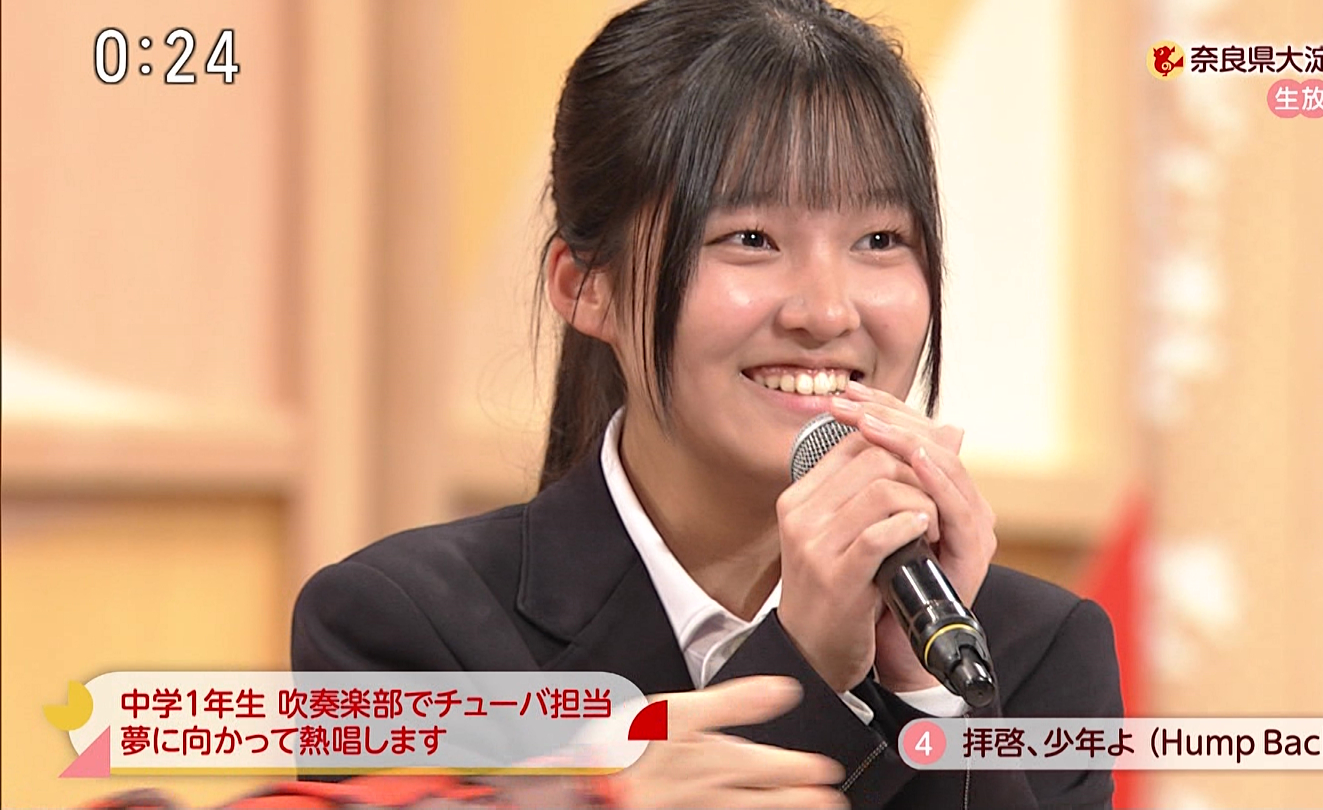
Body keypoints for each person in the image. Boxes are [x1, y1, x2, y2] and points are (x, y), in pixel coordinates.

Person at [292, 0, 1123, 807]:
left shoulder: (1030, 648)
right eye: (750, 239)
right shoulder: (405, 627)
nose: (828, 312)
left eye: (880, 240)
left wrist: (925, 696)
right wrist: (802, 667)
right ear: (587, 287)